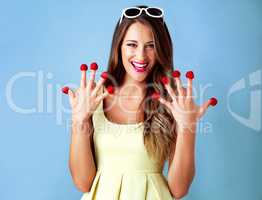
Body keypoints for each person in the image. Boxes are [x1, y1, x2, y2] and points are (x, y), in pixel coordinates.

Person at [62, 5, 218, 200]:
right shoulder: (93, 97)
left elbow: (179, 190)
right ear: (118, 46)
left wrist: (188, 126)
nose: (141, 56)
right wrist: (79, 120)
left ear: (161, 49)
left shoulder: (173, 101)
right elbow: (83, 182)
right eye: (132, 45)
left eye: (151, 45)